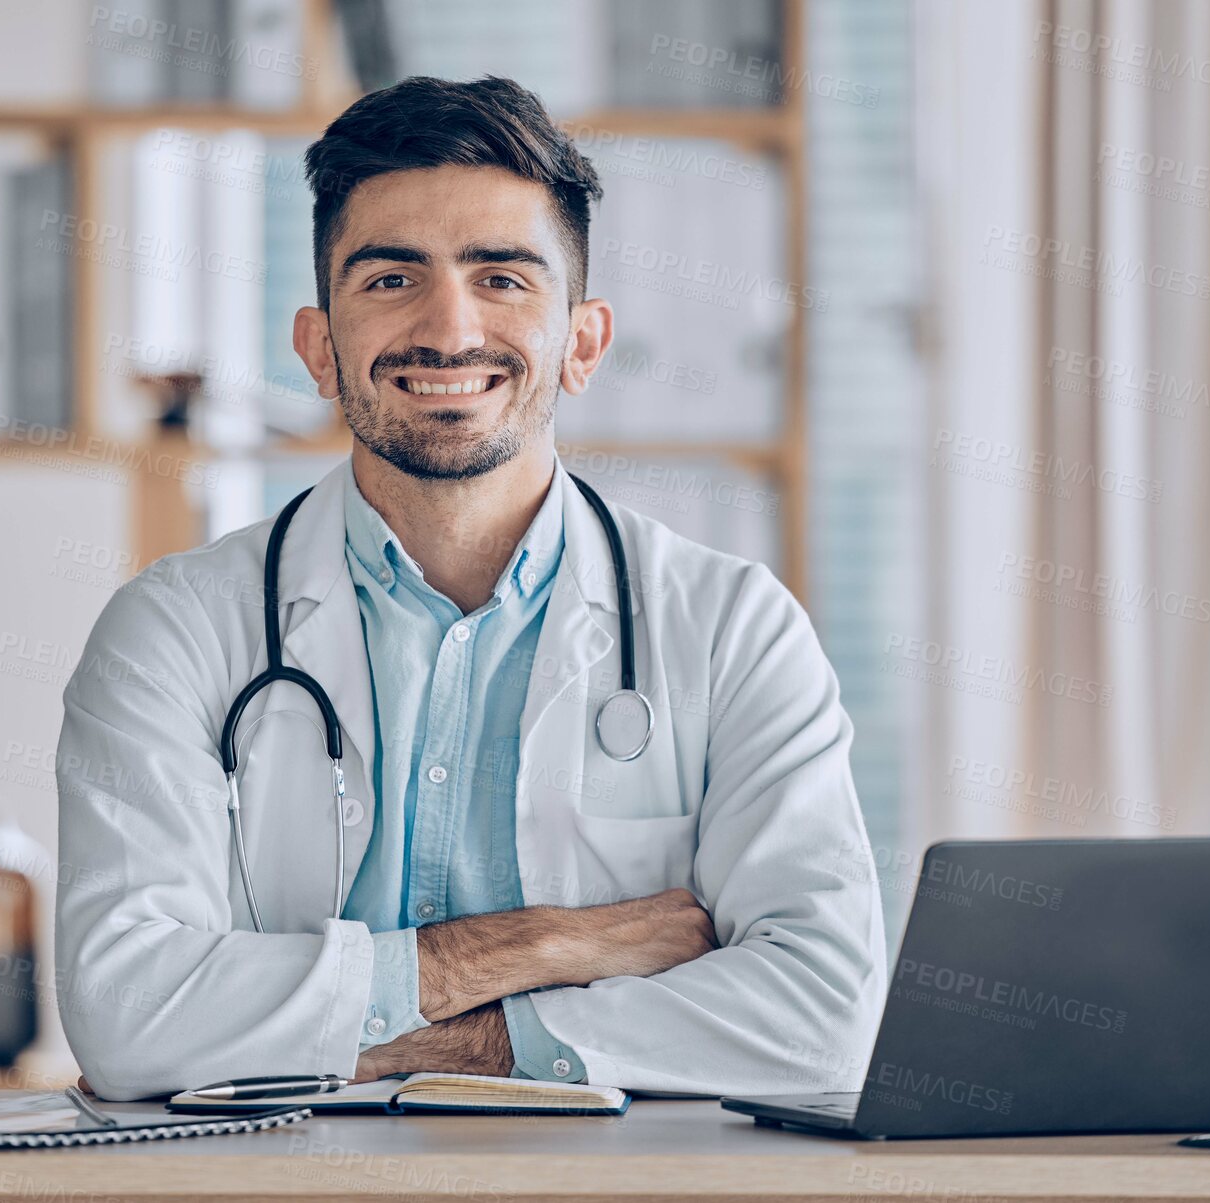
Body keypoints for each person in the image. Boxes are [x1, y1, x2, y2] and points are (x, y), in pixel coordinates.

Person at [56, 75, 885, 1102]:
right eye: (391, 279)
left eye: (502, 278)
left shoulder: (730, 629)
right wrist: (552, 944)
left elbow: (823, 1020)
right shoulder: (175, 631)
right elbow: (129, 1015)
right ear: (320, 347)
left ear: (583, 342)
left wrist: (403, 1045)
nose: (449, 331)